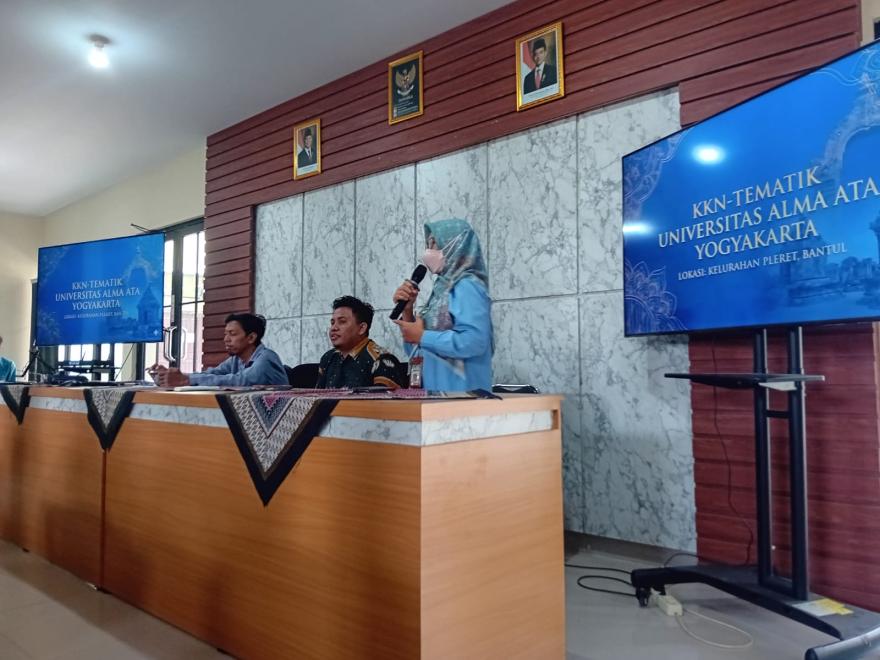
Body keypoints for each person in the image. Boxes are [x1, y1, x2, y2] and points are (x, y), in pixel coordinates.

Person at [392, 218, 492, 391]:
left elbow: (475, 341)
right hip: (436, 396)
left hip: (464, 398)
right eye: (428, 244)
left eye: (434, 243)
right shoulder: (440, 291)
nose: (428, 250)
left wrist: (422, 336)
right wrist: (407, 311)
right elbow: (415, 351)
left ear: (456, 245)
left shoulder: (467, 286)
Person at [150, 313, 287, 387]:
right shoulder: (236, 360)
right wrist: (169, 377)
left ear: (251, 337)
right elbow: (211, 374)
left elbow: (240, 381)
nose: (226, 339)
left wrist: (185, 380)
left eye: (232, 334)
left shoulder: (266, 358)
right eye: (225, 334)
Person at [317, 296, 403, 389]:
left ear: (362, 328)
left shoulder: (381, 360)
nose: (334, 328)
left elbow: (386, 398)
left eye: (342, 322)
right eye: (332, 323)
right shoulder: (328, 358)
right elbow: (317, 396)